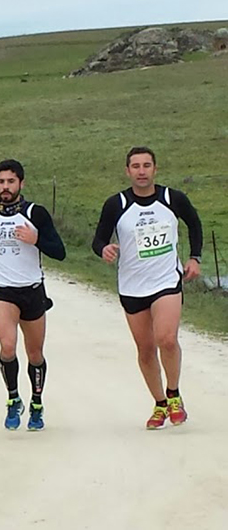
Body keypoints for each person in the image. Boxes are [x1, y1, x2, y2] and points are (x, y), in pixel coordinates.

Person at [92, 147, 202, 430]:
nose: (142, 171)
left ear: (155, 169)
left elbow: (194, 223)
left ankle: (174, 394)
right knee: (145, 349)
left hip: (166, 281)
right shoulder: (115, 204)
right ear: (127, 171)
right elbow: (98, 239)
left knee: (166, 338)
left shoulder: (172, 198)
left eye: (147, 165)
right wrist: (104, 249)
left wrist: (195, 257)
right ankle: (159, 404)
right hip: (132, 285)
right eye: (136, 166)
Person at [0, 159, 66, 431]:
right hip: (2, 291)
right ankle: (13, 398)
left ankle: (36, 403)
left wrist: (36, 240)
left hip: (33, 291)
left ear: (21, 184)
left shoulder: (36, 214)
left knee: (35, 353)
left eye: (10, 182)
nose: (5, 187)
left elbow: (59, 251)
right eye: (1, 181)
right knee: (8, 346)